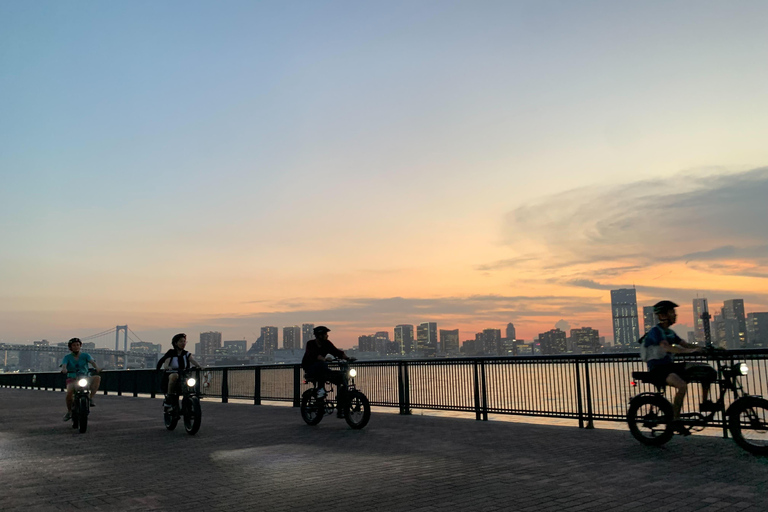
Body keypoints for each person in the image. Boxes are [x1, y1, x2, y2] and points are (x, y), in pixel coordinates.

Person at [642, 300, 717, 434]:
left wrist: (705, 349)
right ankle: (675, 420)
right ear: (662, 315)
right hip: (658, 369)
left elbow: (685, 344)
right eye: (672, 312)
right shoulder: (656, 332)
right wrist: (689, 352)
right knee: (682, 386)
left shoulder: (670, 332)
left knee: (706, 370)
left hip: (670, 366)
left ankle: (705, 403)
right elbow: (667, 347)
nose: (675, 315)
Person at [301, 326, 352, 417]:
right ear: (319, 335)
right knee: (321, 365)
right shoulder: (310, 344)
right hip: (310, 367)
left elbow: (336, 352)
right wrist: (324, 359)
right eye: (325, 334)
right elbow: (313, 355)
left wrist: (347, 358)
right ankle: (320, 390)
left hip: (323, 368)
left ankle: (341, 407)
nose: (327, 336)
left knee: (341, 377)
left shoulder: (327, 344)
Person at [157, 333, 201, 411]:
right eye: (181, 341)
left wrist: (199, 366)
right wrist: (168, 368)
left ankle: (190, 401)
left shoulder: (186, 354)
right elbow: (166, 364)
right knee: (174, 376)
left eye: (184, 341)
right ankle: (169, 397)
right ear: (175, 343)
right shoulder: (171, 353)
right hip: (171, 374)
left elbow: (193, 361)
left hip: (184, 374)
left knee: (190, 381)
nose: (183, 343)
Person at [60, 338, 101, 421]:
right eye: (74, 345)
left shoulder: (85, 355)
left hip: (84, 377)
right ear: (70, 347)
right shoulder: (67, 357)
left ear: (80, 346)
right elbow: (64, 365)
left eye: (78, 345)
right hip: (72, 378)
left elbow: (92, 362)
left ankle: (90, 397)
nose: (76, 347)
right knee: (69, 394)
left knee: (97, 378)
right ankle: (69, 412)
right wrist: (64, 369)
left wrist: (97, 368)